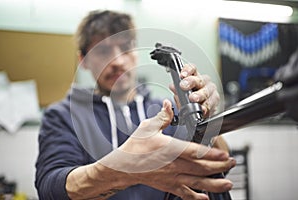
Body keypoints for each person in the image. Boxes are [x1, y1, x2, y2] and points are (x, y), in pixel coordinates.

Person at [35, 10, 235, 200]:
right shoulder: (62, 116)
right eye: (103, 51)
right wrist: (123, 170)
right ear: (83, 60)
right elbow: (50, 187)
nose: (118, 61)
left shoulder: (167, 110)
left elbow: (220, 163)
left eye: (125, 48)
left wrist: (205, 118)